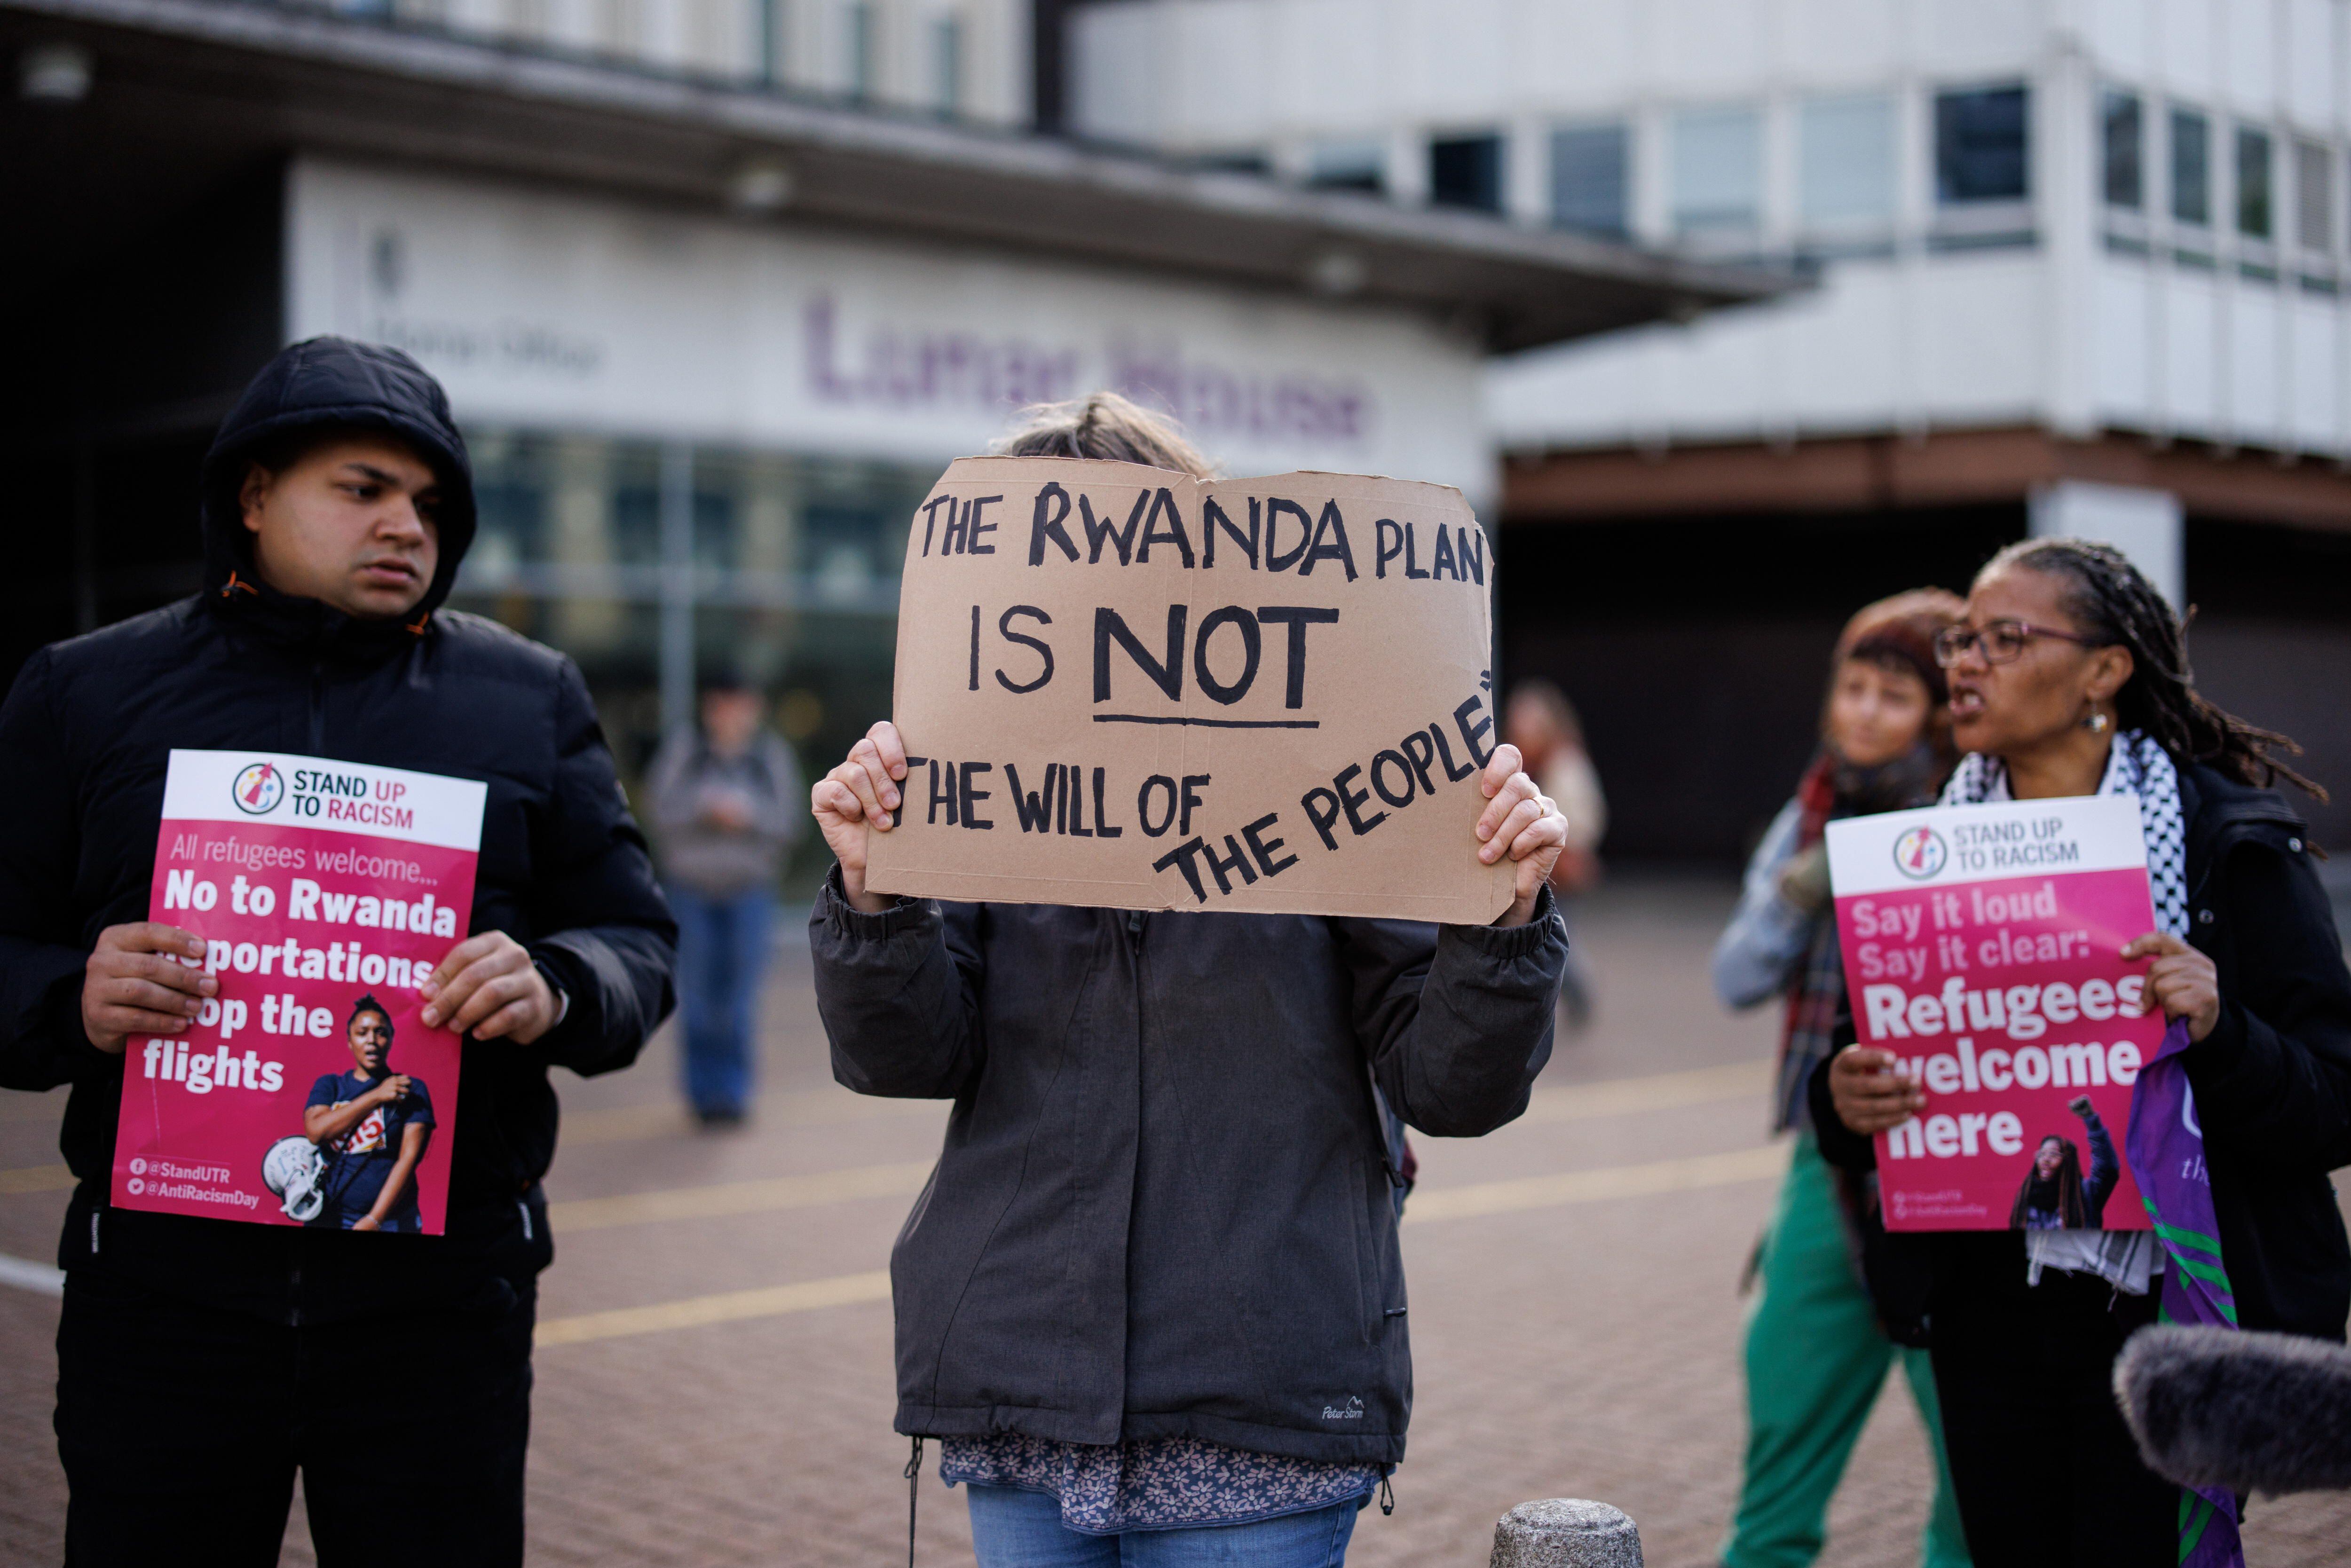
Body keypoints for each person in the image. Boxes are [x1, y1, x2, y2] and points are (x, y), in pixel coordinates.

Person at [806, 391, 1572, 1568]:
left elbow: (1453, 1086)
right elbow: (903, 1056)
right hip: (1026, 1390)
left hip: (1257, 1396)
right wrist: (875, 891)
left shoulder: (1335, 778)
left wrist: (1501, 916)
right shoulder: (973, 792)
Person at [0, 337, 676, 1568]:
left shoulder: (524, 695)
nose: (405, 525)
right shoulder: (83, 694)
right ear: (253, 497)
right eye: (362, 488)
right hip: (164, 1303)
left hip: (440, 1308)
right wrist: (66, 995)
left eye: (429, 503)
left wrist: (562, 979)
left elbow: (637, 937)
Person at [1814, 537, 2351, 1566]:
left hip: (2167, 1317)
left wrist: (2220, 1026)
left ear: (2105, 670)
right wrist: (1845, 1094)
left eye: (2004, 638)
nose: (1963, 662)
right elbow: (1852, 1080)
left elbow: (2333, 1100)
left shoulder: (2226, 842)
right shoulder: (1921, 849)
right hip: (1988, 1311)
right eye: (1962, 638)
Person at [1711, 591, 1972, 1568]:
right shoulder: (1810, 811)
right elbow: (1734, 977)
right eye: (1851, 687)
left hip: (1959, 1162)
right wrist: (1801, 884)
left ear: (1942, 711)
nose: (1862, 711)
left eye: (1893, 694)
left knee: (1972, 1465)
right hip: (1826, 1165)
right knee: (1784, 1414)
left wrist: (1890, 870)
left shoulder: (1981, 810)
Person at [647, 669, 805, 1125]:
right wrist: (704, 810)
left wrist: (746, 817)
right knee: (695, 996)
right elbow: (659, 810)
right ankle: (701, 1095)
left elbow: (790, 820)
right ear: (709, 708)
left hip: (748, 893)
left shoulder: (769, 757)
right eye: (724, 705)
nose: (732, 715)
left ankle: (732, 1095)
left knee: (738, 999)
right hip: (691, 892)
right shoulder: (685, 752)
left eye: (741, 705)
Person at [1504, 680, 1607, 1029]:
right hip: (1551, 870)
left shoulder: (1566, 765)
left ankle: (1574, 997)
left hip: (1563, 870)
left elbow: (1582, 823)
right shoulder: (1540, 765)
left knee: (1559, 939)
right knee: (1556, 937)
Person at [304, 995, 436, 1233]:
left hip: (390, 1222)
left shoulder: (411, 1089)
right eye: (362, 1033)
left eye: (381, 1032)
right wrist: (377, 1096)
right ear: (349, 1041)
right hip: (329, 1217)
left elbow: (408, 1159)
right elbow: (316, 1132)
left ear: (391, 1039)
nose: (372, 1041)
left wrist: (375, 1219)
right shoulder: (331, 1086)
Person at [2009, 1098, 2114, 1231]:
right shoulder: (2027, 1196)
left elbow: (2106, 1168)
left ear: (2068, 1162)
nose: (2045, 1160)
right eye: (2042, 1154)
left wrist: (2091, 1121)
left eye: (2053, 1155)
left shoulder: (2085, 1194)